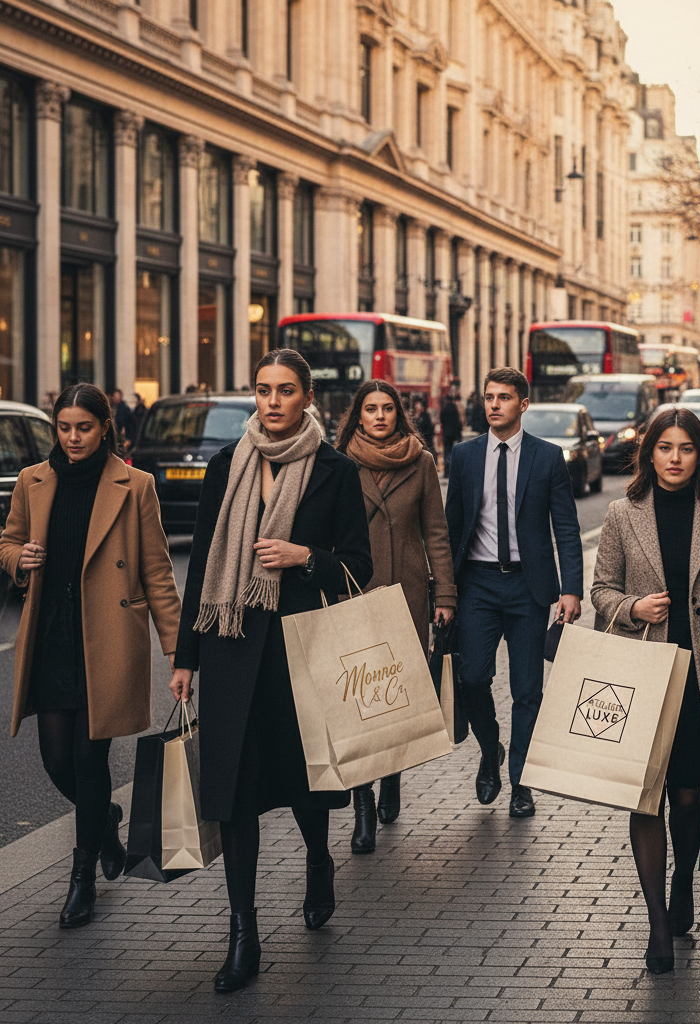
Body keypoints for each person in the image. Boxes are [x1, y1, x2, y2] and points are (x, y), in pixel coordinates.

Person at [170, 349, 372, 993]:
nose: (273, 402)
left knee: (304, 781)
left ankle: (319, 860)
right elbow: (202, 563)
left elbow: (359, 565)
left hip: (296, 648)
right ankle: (243, 934)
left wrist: (304, 556)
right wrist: (185, 656)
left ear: (307, 396)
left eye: (286, 391)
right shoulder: (228, 464)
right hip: (231, 646)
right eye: (263, 390)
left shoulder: (334, 471)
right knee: (234, 792)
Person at [591, 407, 700, 974]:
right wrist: (631, 607)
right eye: (664, 447)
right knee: (647, 797)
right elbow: (601, 591)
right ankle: (657, 924)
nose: (674, 458)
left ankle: (683, 880)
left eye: (685, 448)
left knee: (690, 796)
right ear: (649, 454)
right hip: (644, 675)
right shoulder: (621, 513)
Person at [0, 384, 181, 929]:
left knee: (87, 758)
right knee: (56, 760)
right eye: (64, 427)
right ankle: (105, 821)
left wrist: (178, 652)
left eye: (84, 427)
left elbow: (157, 572)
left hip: (106, 639)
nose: (73, 438)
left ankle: (82, 880)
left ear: (105, 427)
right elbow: (6, 541)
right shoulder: (33, 481)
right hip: (52, 635)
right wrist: (18, 558)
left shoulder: (135, 485)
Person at [445, 367, 583, 819]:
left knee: (528, 690)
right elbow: (450, 529)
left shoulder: (546, 457)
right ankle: (491, 750)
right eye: (489, 397)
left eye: (504, 397)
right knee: (471, 679)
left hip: (528, 586)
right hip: (478, 584)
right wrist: (444, 592)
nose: (494, 405)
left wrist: (571, 590)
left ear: (523, 404)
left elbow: (566, 527)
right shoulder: (464, 456)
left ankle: (522, 782)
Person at [336, 380, 456, 853]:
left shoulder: (421, 461)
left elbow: (437, 534)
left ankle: (391, 777)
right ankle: (362, 804)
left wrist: (445, 594)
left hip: (407, 594)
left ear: (399, 414)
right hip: (355, 593)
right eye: (371, 409)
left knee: (394, 698)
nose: (380, 416)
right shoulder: (339, 461)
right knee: (359, 703)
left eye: (388, 409)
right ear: (358, 416)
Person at [440, 391, 463, 478]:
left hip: (446, 434)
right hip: (454, 434)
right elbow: (458, 423)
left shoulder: (444, 409)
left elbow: (442, 421)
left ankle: (447, 472)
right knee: (454, 453)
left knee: (446, 452)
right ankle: (454, 472)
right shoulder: (455, 409)